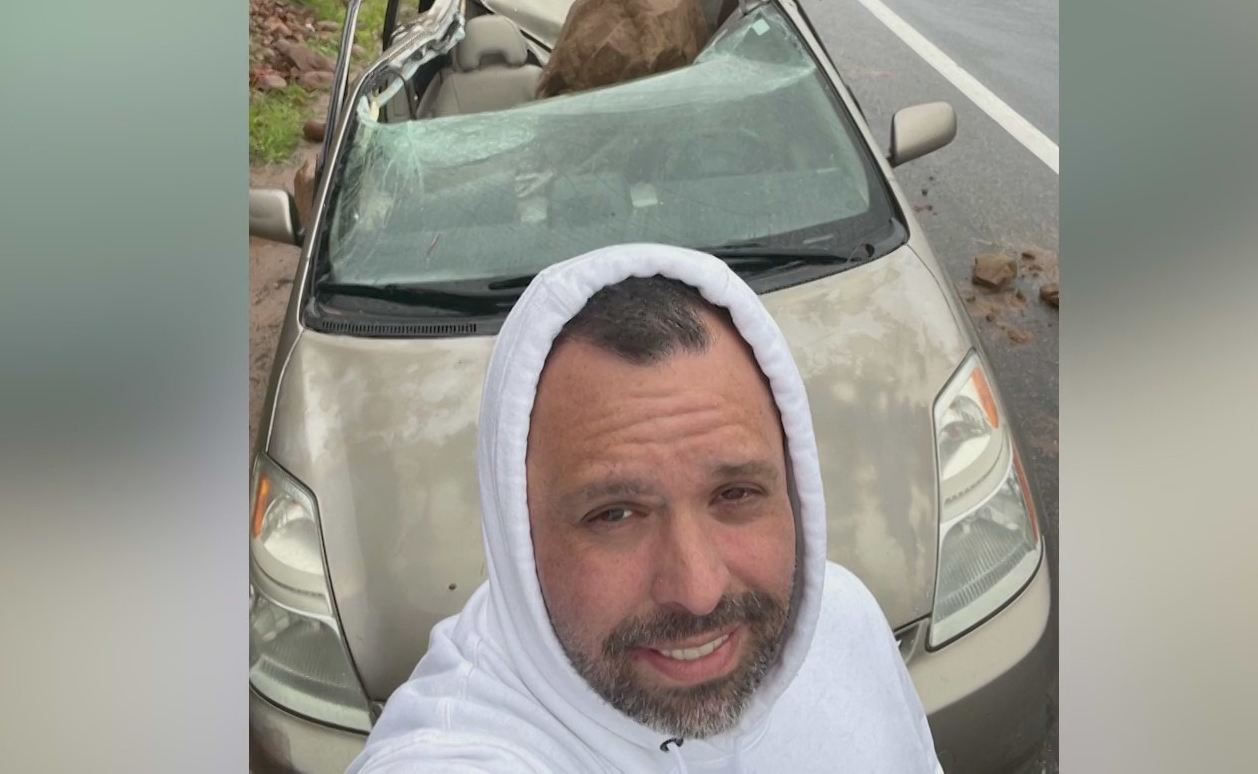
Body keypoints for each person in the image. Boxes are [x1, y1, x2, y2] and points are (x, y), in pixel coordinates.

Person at [350, 243, 940, 772]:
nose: (699, 589)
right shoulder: (460, 751)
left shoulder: (848, 623)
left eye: (735, 494)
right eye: (615, 514)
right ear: (516, 532)